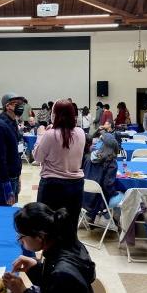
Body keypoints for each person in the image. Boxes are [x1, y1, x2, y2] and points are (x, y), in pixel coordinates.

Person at [2, 202, 96, 293]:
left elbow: (60, 279)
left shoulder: (62, 274)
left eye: (21, 236)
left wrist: (22, 290)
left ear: (40, 236)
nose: (19, 241)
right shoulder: (67, 242)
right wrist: (35, 267)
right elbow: (54, 283)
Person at [33, 99, 85, 235]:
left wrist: (40, 135)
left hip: (52, 185)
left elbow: (37, 157)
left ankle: (50, 255)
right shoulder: (80, 133)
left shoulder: (49, 135)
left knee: (48, 227)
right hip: (76, 186)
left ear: (55, 115)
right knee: (70, 226)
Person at [83, 134, 122, 229]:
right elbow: (108, 185)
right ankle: (111, 219)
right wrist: (115, 192)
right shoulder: (111, 163)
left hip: (84, 198)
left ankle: (99, 217)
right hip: (98, 201)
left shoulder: (89, 157)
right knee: (125, 194)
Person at [0, 93, 24, 206]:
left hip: (14, 175)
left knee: (13, 212)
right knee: (5, 214)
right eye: (16, 104)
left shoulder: (13, 122)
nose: (20, 106)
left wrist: (18, 175)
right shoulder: (0, 125)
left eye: (21, 104)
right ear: (8, 106)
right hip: (5, 179)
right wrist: (6, 184)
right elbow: (0, 157)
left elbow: (16, 152)